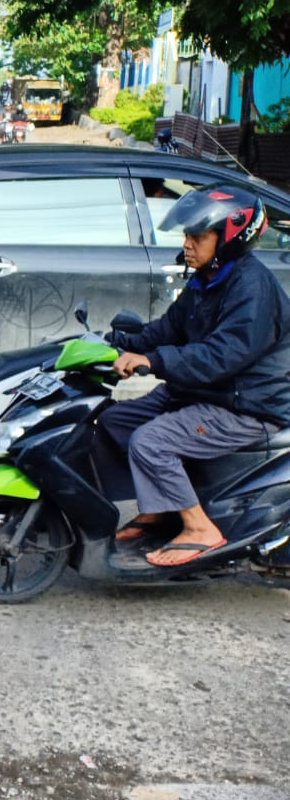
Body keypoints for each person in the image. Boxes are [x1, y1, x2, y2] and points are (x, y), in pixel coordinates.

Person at [97, 186, 290, 567]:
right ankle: (159, 510)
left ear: (229, 237)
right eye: (186, 235)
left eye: (196, 237)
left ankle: (200, 528)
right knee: (113, 421)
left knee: (151, 441)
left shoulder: (251, 286)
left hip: (245, 403)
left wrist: (153, 361)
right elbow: (168, 328)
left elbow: (222, 355)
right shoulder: (208, 278)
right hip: (205, 391)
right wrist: (115, 343)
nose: (187, 244)